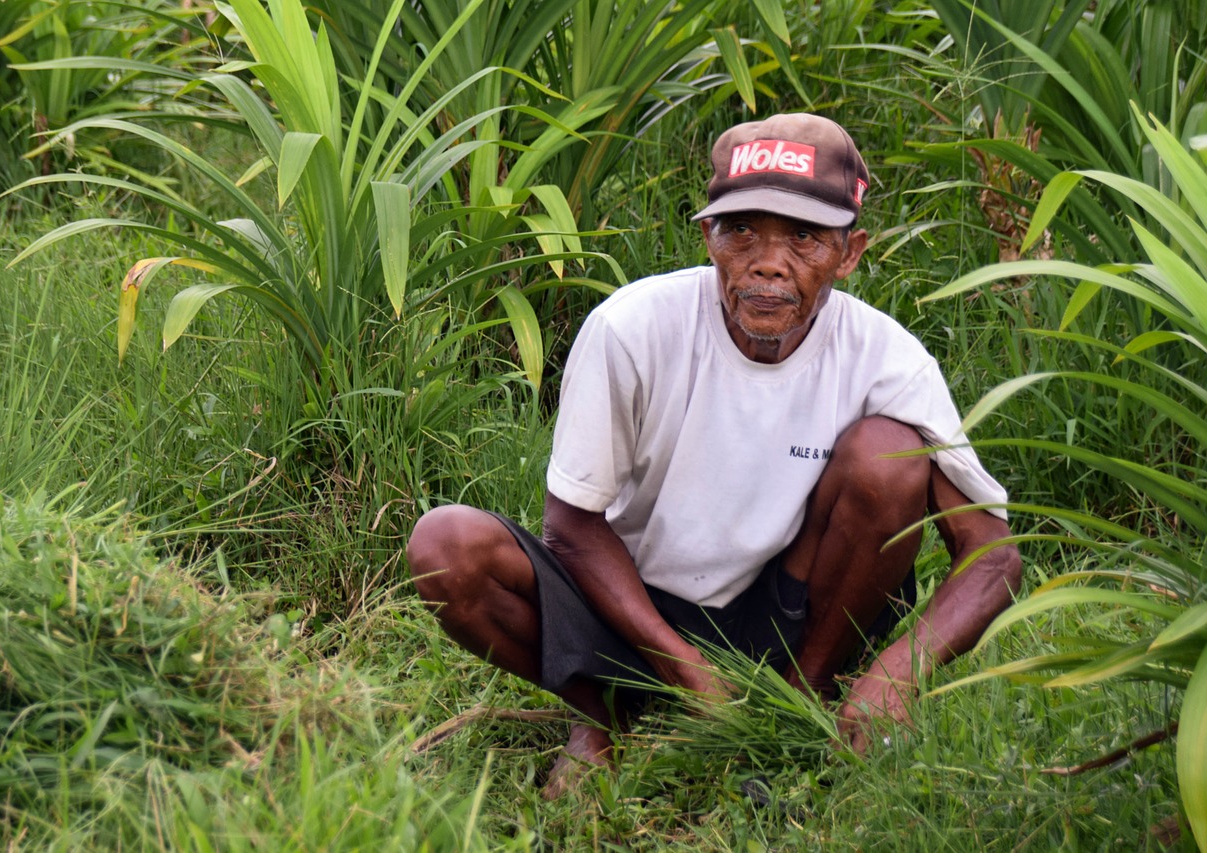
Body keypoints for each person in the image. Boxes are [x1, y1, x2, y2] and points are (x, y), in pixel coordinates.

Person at [406, 112, 1022, 798]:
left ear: (849, 255)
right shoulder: (632, 328)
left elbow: (991, 553)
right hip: (627, 604)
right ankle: (603, 712)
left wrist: (895, 673)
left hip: (783, 616)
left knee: (891, 456)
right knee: (447, 546)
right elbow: (572, 527)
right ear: (708, 236)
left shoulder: (886, 359)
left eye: (804, 238)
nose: (768, 262)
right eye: (742, 231)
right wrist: (689, 672)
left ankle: (803, 700)